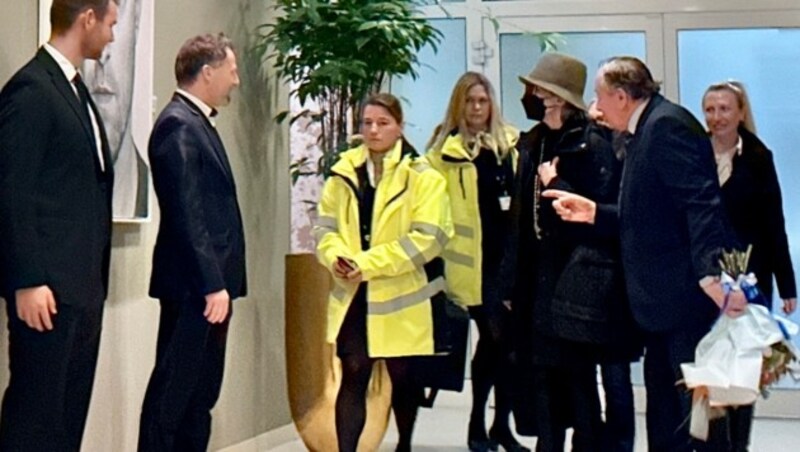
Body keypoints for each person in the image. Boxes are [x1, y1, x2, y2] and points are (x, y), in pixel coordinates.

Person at [542, 56, 747, 452]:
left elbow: (700, 203)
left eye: (600, 97)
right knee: (667, 412)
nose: (597, 108)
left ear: (621, 95)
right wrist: (594, 213)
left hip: (683, 298)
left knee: (696, 414)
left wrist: (710, 274)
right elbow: (649, 215)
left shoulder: (666, 126)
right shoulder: (644, 129)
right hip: (659, 305)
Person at [0, 1, 117, 450]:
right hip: (47, 291)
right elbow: (12, 191)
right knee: (35, 419)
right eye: (109, 24)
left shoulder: (74, 90)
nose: (110, 37)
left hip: (82, 289)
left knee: (67, 421)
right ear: (87, 18)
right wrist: (27, 279)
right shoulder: (31, 89)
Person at [314, 93, 452, 452]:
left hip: (401, 298)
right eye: (367, 123)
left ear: (400, 127)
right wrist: (336, 257)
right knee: (354, 371)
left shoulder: (423, 176)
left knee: (404, 378)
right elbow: (324, 229)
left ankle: (404, 443)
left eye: (382, 123)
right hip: (355, 294)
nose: (373, 131)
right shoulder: (343, 172)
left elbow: (429, 238)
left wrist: (369, 263)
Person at [502, 53, 623, 452]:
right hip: (535, 278)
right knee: (539, 376)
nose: (534, 95)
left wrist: (561, 182)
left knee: (577, 377)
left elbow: (600, 211)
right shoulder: (532, 143)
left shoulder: (592, 143)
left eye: (542, 89)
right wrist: (508, 279)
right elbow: (520, 217)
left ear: (557, 96)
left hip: (576, 278)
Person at [138, 33, 246, 452]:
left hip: (207, 289)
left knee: (200, 396)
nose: (235, 80)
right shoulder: (177, 126)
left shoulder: (196, 122)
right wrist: (211, 283)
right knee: (173, 395)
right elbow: (187, 215)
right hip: (193, 290)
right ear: (208, 72)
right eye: (231, 71)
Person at [425, 72, 526, 452]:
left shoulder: (509, 147)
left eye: (483, 101)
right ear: (459, 105)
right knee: (493, 340)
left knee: (507, 346)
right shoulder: (443, 154)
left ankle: (501, 423)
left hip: (508, 261)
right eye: (470, 101)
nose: (477, 109)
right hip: (470, 265)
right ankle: (477, 422)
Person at [702, 80, 797, 451]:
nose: (717, 117)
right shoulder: (696, 154)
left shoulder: (758, 157)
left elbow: (774, 224)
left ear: (741, 113)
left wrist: (787, 285)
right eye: (710, 109)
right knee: (710, 366)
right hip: (708, 280)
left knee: (743, 369)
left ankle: (737, 443)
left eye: (725, 109)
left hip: (751, 279)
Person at [586, 100, 642, 452]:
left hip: (623, 274)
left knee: (616, 372)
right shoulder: (591, 141)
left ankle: (621, 442)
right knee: (599, 371)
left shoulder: (635, 147)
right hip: (592, 272)